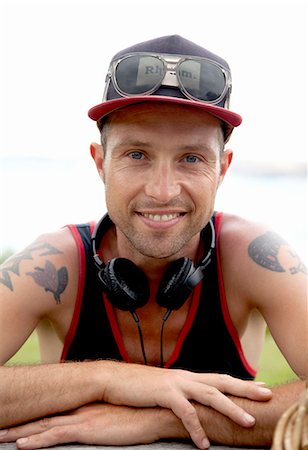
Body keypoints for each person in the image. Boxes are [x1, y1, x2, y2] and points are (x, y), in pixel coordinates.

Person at [0, 34, 306, 450]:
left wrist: (166, 417)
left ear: (222, 169)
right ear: (100, 162)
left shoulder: (253, 256)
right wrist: (111, 379)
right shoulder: (54, 263)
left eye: (192, 158)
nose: (163, 191)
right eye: (137, 155)